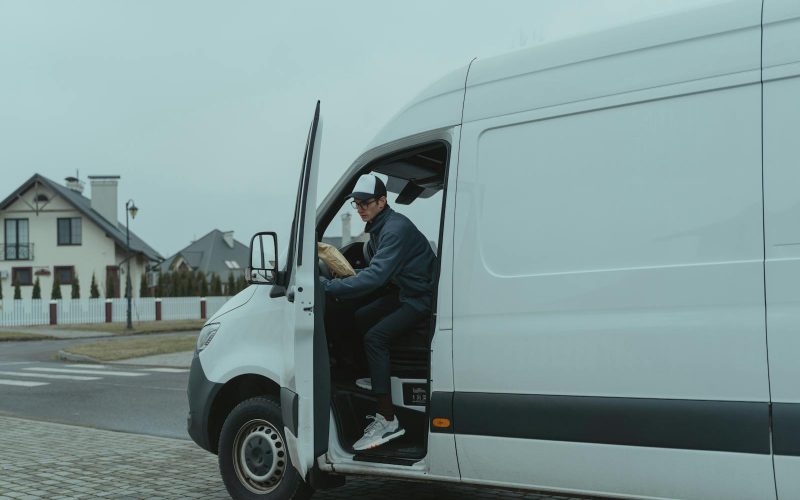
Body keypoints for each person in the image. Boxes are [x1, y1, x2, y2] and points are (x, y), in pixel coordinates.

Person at [320, 174, 435, 451]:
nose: (360, 208)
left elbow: (375, 277)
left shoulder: (395, 229)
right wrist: (343, 277)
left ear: (382, 201)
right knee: (361, 316)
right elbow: (374, 272)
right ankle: (377, 374)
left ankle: (387, 418)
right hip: (405, 291)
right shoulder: (378, 228)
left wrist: (330, 286)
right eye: (356, 204)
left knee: (375, 337)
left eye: (365, 203)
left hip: (422, 299)